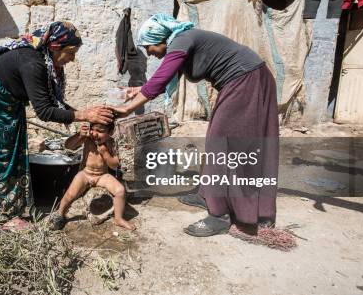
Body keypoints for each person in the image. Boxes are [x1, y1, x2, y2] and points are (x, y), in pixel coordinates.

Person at [0, 21, 114, 229]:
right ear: (55, 48)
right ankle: (2, 215)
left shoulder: (45, 62)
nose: (72, 59)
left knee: (14, 151)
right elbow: (44, 111)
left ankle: (7, 208)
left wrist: (86, 115)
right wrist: (84, 114)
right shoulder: (33, 63)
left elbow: (52, 102)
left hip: (6, 99)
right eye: (70, 53)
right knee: (1, 154)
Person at [112, 14, 279, 237]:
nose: (149, 53)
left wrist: (126, 109)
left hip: (246, 80)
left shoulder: (181, 40)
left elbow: (161, 79)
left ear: (161, 39)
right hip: (241, 81)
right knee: (217, 140)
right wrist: (138, 91)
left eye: (149, 47)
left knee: (225, 145)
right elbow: (162, 79)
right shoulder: (182, 41)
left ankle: (221, 215)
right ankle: (208, 195)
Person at [50, 122, 135, 230]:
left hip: (102, 176)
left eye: (100, 131)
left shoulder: (111, 143)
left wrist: (105, 153)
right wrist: (79, 135)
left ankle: (118, 219)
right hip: (85, 173)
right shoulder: (87, 138)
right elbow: (68, 146)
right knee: (70, 194)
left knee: (120, 191)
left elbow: (114, 165)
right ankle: (60, 214)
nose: (95, 134)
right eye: (93, 129)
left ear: (110, 132)